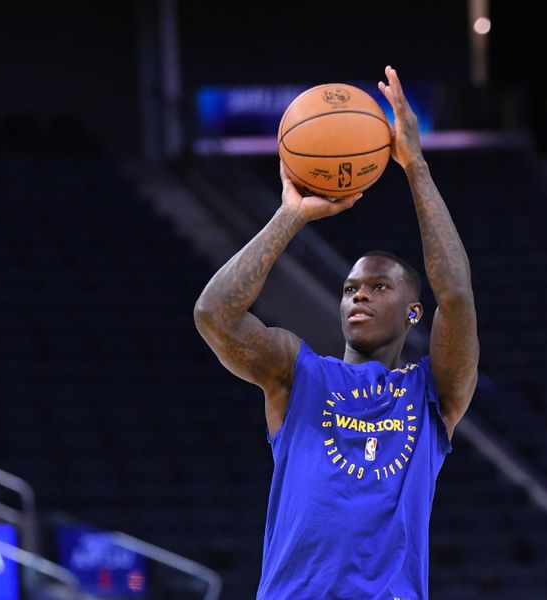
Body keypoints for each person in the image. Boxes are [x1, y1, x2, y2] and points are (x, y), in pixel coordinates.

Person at [194, 65, 478, 600]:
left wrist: (415, 166)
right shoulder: (296, 374)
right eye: (350, 289)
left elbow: (457, 296)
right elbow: (214, 316)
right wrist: (290, 215)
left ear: (414, 313)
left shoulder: (431, 394)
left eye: (377, 287)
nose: (359, 295)